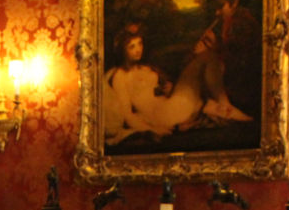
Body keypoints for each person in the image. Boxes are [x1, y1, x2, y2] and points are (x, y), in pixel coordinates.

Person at [104, 21, 252, 145]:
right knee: (207, 57)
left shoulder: (146, 68)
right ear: (122, 50)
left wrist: (169, 88)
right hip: (164, 115)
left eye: (140, 44)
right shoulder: (120, 76)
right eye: (132, 46)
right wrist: (152, 130)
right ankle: (225, 103)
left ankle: (227, 106)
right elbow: (128, 115)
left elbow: (158, 90)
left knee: (208, 58)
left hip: (171, 104)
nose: (138, 50)